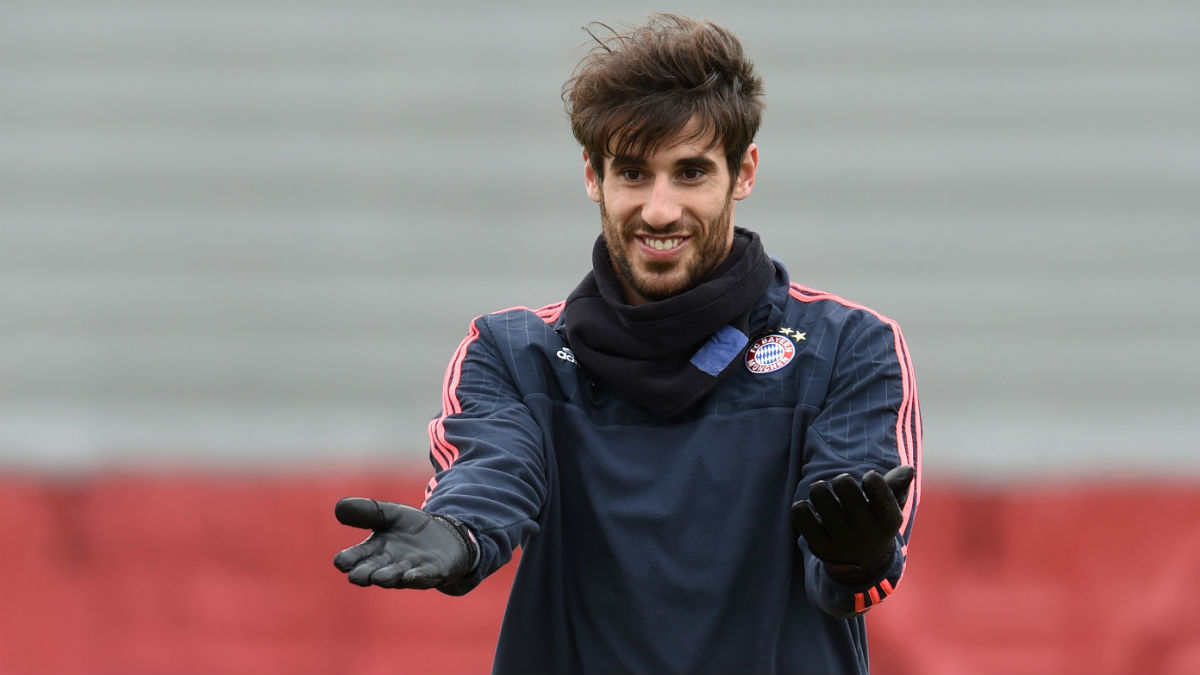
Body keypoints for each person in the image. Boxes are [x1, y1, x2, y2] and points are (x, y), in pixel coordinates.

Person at [333, 13, 921, 675]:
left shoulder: (846, 347)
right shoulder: (513, 351)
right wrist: (461, 531)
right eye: (635, 173)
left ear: (744, 171)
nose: (661, 209)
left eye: (691, 173)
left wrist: (856, 555)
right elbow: (494, 473)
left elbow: (846, 576)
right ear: (594, 176)